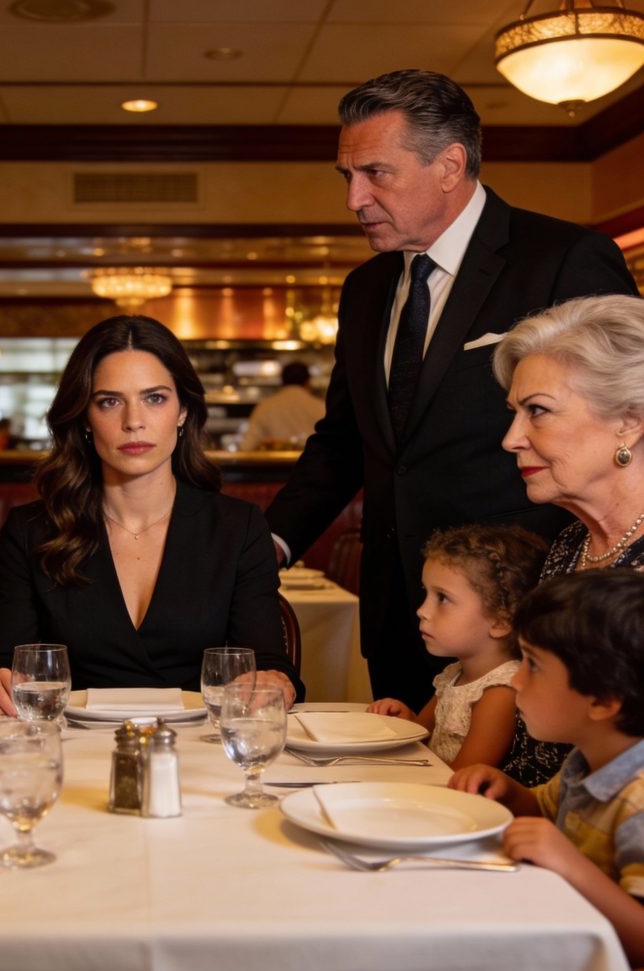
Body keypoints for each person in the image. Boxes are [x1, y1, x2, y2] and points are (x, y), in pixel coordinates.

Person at [263, 69, 638, 712]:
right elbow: (346, 440)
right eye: (347, 176)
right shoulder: (365, 289)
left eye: (375, 173)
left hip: (518, 604)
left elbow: (625, 410)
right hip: (400, 607)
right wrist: (271, 543)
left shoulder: (563, 258)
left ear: (449, 165)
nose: (354, 198)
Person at [0, 314, 301, 714]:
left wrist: (276, 682)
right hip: (68, 743)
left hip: (200, 744)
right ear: (85, 418)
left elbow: (269, 665)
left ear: (183, 410)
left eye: (154, 398)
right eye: (109, 402)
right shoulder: (31, 531)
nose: (133, 422)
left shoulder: (238, 527)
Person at [451, 570, 644, 968]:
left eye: (533, 665)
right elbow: (545, 809)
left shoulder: (638, 803)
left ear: (603, 700)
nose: (516, 680)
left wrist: (571, 866)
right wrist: (508, 790)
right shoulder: (587, 759)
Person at [493, 293, 644, 786]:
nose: (511, 439)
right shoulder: (570, 544)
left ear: (629, 421)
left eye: (537, 410)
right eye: (514, 412)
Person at [368, 524, 546, 769]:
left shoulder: (500, 692)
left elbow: (463, 777)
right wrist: (408, 722)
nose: (422, 611)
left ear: (501, 621)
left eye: (442, 598)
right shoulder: (454, 674)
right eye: (426, 594)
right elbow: (423, 742)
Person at [240, 362, 325, 452]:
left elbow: (247, 446)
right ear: (308, 382)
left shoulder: (265, 407)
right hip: (313, 460)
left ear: (282, 381)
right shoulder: (320, 406)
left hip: (273, 460)